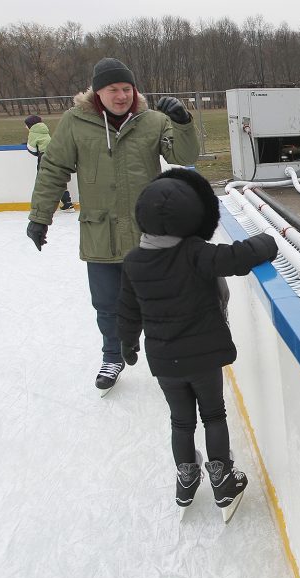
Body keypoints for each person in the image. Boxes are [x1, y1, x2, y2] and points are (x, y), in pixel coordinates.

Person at [25, 57, 200, 393]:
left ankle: (169, 355)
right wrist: (39, 216)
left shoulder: (151, 121)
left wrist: (182, 122)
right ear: (97, 91)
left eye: (126, 88)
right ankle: (113, 354)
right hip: (100, 232)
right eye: (113, 89)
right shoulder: (75, 122)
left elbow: (182, 154)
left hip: (147, 234)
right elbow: (53, 170)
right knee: (107, 303)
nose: (121, 95)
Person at [117, 167, 278, 522]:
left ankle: (186, 479)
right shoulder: (194, 252)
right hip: (203, 360)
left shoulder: (133, 263)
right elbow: (236, 258)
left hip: (164, 362)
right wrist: (267, 243)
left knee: (181, 422)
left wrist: (127, 344)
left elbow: (127, 311)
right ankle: (222, 479)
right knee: (213, 415)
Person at [24, 115, 75, 212]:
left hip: (44, 157)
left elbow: (32, 149)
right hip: (57, 155)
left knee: (43, 182)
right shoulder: (44, 130)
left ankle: (42, 207)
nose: (25, 127)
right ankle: (67, 203)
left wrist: (27, 144)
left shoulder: (33, 133)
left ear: (30, 125)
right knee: (57, 180)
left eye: (26, 125)